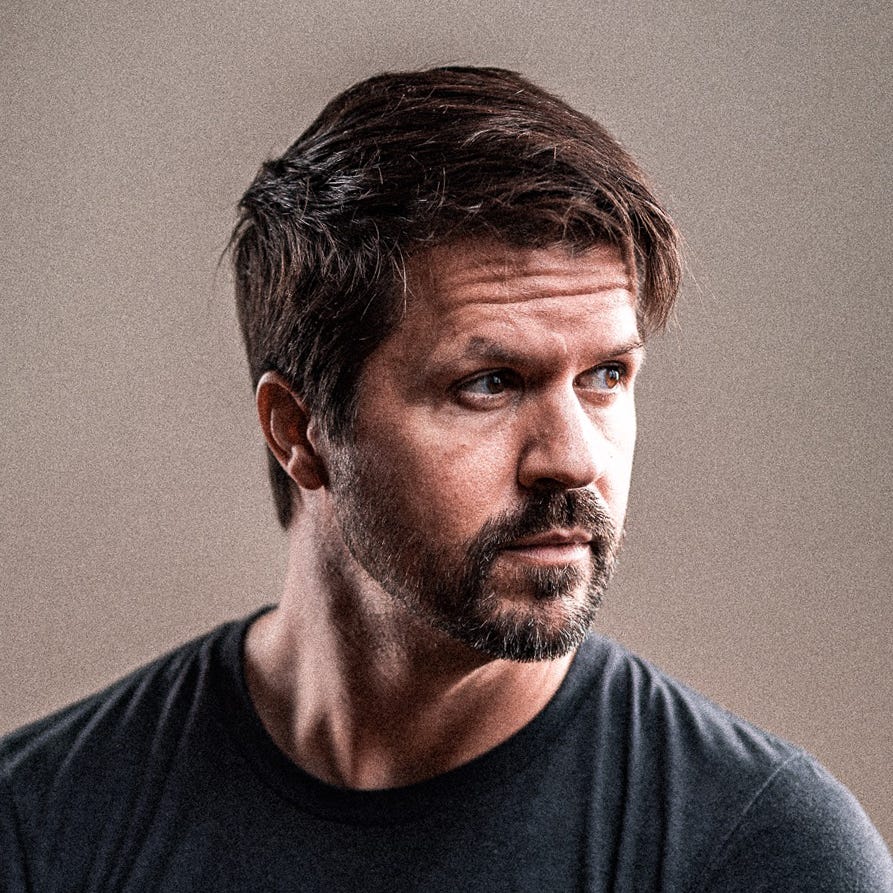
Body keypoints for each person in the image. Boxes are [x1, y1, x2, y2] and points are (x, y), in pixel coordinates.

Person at [1, 66, 890, 892]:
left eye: (605, 376)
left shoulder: (759, 852)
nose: (573, 458)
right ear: (299, 431)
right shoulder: (41, 829)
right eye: (489, 383)